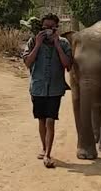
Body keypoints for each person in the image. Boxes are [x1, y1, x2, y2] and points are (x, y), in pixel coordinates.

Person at [21, 13, 72, 168]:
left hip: (55, 88)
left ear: (56, 28)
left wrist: (57, 45)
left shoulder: (63, 43)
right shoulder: (32, 41)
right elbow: (28, 63)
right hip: (38, 88)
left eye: (51, 27)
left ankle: (48, 155)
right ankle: (44, 148)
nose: (48, 30)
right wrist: (37, 44)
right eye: (45, 27)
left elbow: (68, 65)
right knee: (42, 120)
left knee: (51, 120)